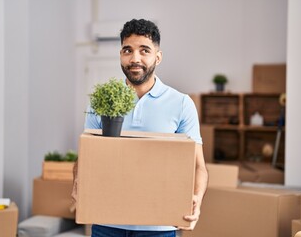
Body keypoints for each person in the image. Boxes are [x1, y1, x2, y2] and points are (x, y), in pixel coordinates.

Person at [74, 18, 208, 237]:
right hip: (107, 223)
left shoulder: (181, 104)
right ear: (120, 55)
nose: (135, 58)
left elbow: (198, 166)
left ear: (158, 56)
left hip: (158, 226)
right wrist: (78, 181)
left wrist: (197, 198)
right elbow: (87, 155)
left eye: (144, 50)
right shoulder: (102, 101)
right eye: (128, 50)